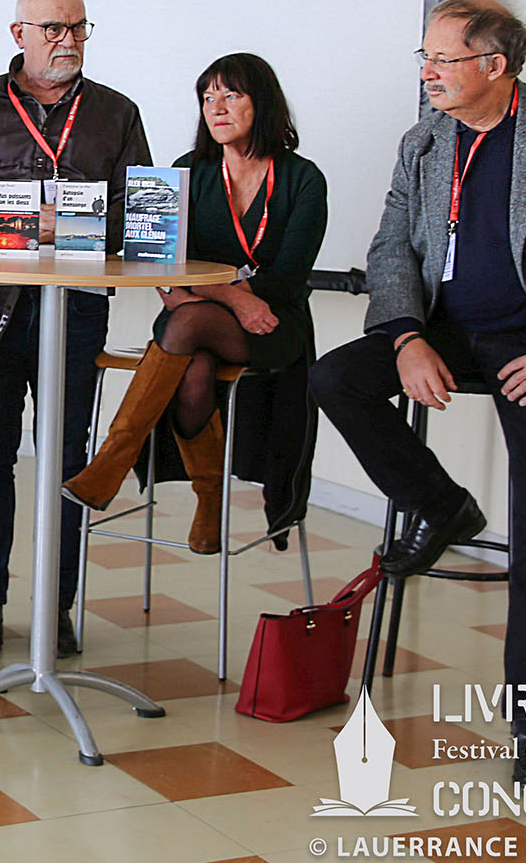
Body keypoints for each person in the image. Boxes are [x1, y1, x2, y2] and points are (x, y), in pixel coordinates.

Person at [309, 0, 526, 793]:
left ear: (494, 66)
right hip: (440, 330)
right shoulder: (425, 140)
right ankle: (444, 507)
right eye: (425, 59)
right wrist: (403, 339)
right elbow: (392, 246)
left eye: (442, 59)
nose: (428, 73)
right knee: (335, 376)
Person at [0, 0, 152, 655]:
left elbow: (138, 201)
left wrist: (81, 221)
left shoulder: (116, 112)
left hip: (78, 306)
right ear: (18, 35)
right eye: (54, 28)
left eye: (79, 28)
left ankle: (56, 607)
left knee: (67, 460)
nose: (68, 41)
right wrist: (22, 221)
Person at [62, 53, 327, 553]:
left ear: (262, 102)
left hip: (273, 325)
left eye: (232, 94)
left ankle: (110, 463)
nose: (217, 107)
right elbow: (154, 262)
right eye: (208, 97)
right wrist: (228, 294)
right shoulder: (185, 170)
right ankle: (209, 502)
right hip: (201, 315)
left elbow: (287, 279)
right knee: (195, 365)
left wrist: (210, 295)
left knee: (187, 322)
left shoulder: (304, 178)